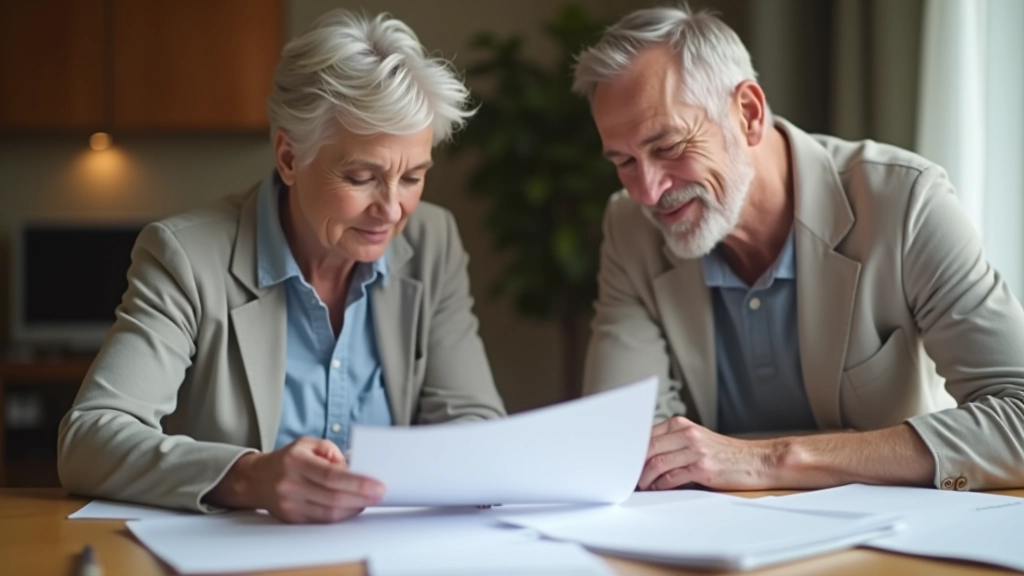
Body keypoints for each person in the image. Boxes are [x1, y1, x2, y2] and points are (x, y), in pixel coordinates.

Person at [58, 10, 506, 523]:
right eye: (363, 177)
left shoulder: (433, 241)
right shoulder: (186, 256)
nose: (392, 209)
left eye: (412, 178)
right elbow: (89, 438)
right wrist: (249, 477)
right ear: (289, 158)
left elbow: (476, 426)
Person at [574, 6, 1024, 493]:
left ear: (748, 113)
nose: (647, 190)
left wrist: (774, 460)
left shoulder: (905, 202)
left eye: (668, 148)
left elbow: (1018, 416)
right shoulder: (629, 227)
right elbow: (621, 445)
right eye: (623, 161)